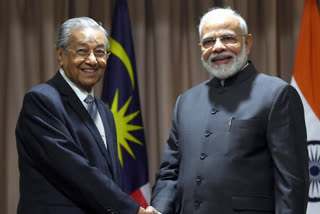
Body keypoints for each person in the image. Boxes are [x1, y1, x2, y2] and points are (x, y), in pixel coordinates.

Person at [150, 7, 310, 214]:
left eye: (228, 38)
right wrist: (159, 209)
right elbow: (169, 172)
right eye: (209, 41)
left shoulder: (277, 94)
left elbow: (292, 182)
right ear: (201, 48)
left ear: (247, 42)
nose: (217, 47)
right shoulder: (186, 101)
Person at [15, 17, 156, 214]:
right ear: (60, 55)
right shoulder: (41, 101)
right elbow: (75, 171)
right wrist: (134, 210)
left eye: (99, 52)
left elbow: (110, 180)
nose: (92, 60)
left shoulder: (104, 111)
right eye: (81, 51)